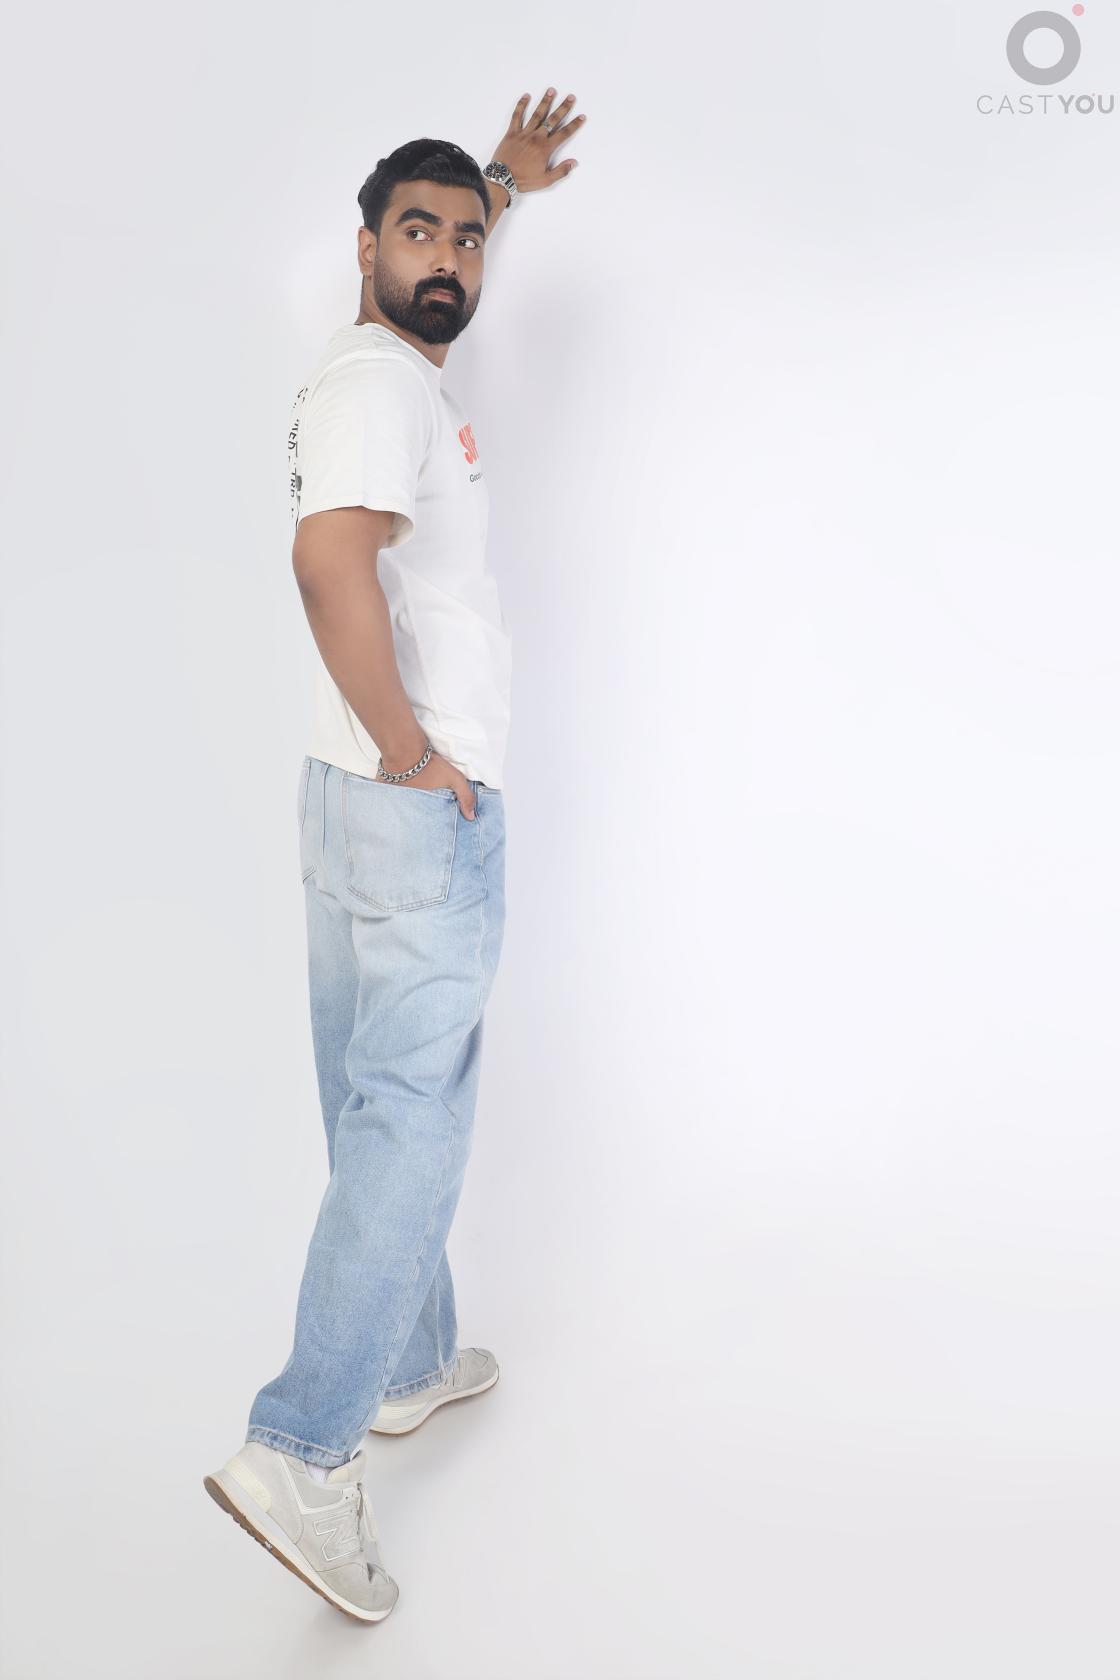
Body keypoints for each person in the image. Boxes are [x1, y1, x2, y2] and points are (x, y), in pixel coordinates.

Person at [203, 92, 586, 1625]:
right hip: (415, 803)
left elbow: (443, 253)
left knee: (369, 1100)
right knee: (411, 1121)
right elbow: (327, 561)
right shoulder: (380, 388)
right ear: (362, 248)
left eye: (468, 240)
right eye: (418, 234)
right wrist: (420, 756)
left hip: (347, 800)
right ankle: (301, 1448)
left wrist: (504, 180)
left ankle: (411, 1363)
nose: (449, 260)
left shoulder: (384, 367)